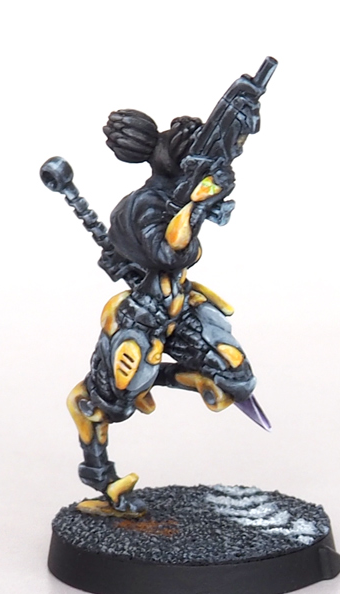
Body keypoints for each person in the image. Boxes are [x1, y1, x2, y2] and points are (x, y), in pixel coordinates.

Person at [68, 109, 256, 516]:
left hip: (181, 304)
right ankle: (99, 473)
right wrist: (197, 204)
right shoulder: (143, 206)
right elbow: (170, 252)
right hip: (144, 316)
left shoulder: (177, 192)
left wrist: (211, 190)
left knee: (237, 377)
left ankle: (185, 377)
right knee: (111, 400)